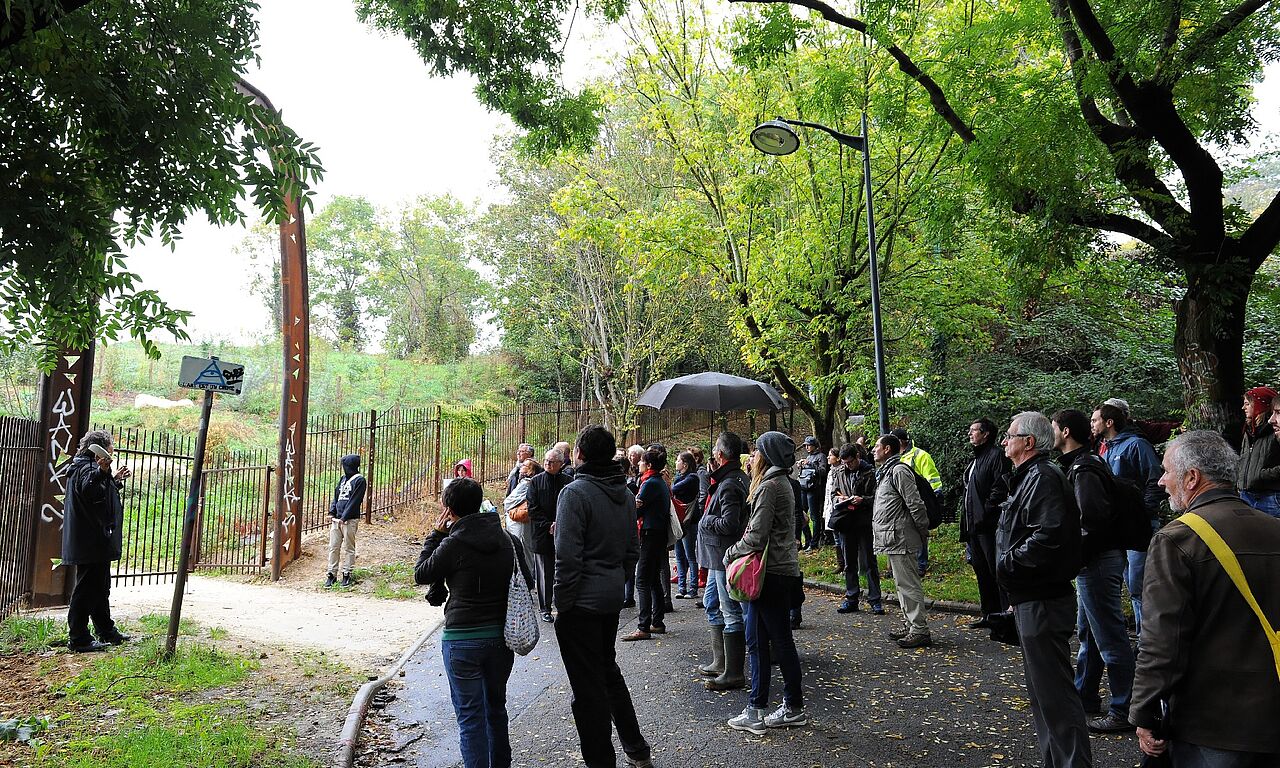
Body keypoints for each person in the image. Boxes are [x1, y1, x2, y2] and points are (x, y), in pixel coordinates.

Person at [1131, 430, 1280, 766]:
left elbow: (1162, 639)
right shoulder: (1275, 529)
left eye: (1167, 471)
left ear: (1192, 478)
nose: (1161, 481)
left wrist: (1143, 710)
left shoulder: (1178, 539)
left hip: (1212, 723)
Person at [552, 426, 655, 768]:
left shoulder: (574, 493)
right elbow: (631, 549)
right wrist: (614, 580)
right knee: (607, 673)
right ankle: (637, 749)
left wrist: (562, 603)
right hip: (609, 599)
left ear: (579, 454)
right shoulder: (624, 492)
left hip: (580, 604)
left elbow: (567, 558)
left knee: (587, 692)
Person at [414, 477, 533, 768]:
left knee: (470, 718)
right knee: (496, 710)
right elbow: (528, 581)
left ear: (449, 509)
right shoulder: (508, 540)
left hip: (461, 640)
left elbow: (422, 573)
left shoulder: (453, 543)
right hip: (501, 639)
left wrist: (436, 534)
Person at [999, 412, 1091, 768]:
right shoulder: (1030, 476)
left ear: (1029, 442)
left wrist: (1008, 565)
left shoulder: (1041, 477)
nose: (1004, 441)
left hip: (1042, 599)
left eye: (1010, 435)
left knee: (1055, 695)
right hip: (1030, 596)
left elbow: (1047, 535)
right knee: (1043, 695)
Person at [1051, 409, 1134, 734]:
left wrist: (1072, 559)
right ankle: (1084, 695)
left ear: (1066, 432)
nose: (1050, 433)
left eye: (1054, 427)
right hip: (1095, 561)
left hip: (1096, 562)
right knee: (1089, 634)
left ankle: (1125, 709)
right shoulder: (1083, 463)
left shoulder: (1084, 468)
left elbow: (1091, 522)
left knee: (1110, 638)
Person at [726, 431, 807, 735]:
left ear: (767, 454)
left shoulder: (770, 487)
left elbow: (756, 536)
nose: (752, 456)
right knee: (759, 640)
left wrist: (730, 553)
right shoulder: (781, 482)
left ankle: (783, 707)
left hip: (769, 573)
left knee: (774, 642)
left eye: (757, 450)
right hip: (780, 571)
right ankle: (761, 708)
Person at [1091, 401, 1163, 635]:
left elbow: (1155, 479)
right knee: (1129, 584)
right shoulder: (1104, 448)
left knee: (1140, 584)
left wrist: (1144, 512)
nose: (1092, 424)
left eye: (1095, 420)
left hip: (1138, 525)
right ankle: (1140, 635)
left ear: (1109, 422)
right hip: (1116, 526)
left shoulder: (1137, 445)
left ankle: (1148, 639)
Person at [62, 430, 131, 652]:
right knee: (86, 590)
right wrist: (102, 471)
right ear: (99, 449)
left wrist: (113, 479)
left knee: (100, 588)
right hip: (91, 541)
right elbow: (89, 489)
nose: (112, 452)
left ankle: (106, 630)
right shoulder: (87, 468)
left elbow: (98, 494)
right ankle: (79, 638)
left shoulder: (86, 467)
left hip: (94, 540)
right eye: (110, 448)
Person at [697, 432, 750, 691]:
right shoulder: (732, 478)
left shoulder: (729, 483)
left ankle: (733, 672)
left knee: (730, 612)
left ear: (720, 454)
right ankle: (721, 662)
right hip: (716, 557)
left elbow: (729, 524)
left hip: (722, 556)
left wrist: (707, 520)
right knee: (712, 604)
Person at [872, 433, 933, 648]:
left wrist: (922, 530)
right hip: (894, 537)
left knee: (908, 584)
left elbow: (915, 503)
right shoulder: (887, 471)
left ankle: (919, 629)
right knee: (902, 584)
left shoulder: (899, 471)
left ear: (887, 449)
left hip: (901, 537)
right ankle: (911, 624)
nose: (873, 450)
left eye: (877, 446)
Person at [963, 418, 1010, 627]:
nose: (970, 434)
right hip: (974, 526)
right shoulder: (976, 459)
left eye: (974, 430)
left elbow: (1000, 488)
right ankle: (988, 614)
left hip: (989, 526)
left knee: (994, 570)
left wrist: (985, 513)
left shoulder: (997, 456)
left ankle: (1004, 614)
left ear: (986, 434)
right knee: (981, 570)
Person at [828, 443, 883, 615]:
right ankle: (851, 598)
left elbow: (877, 497)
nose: (848, 465)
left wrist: (863, 500)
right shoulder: (839, 472)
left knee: (869, 561)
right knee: (849, 562)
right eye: (844, 462)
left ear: (857, 457)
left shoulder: (870, 472)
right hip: (846, 521)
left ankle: (875, 600)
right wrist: (840, 499)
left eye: (850, 462)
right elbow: (833, 494)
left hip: (864, 521)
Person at [623, 447, 671, 641]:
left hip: (650, 534)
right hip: (658, 533)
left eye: (642, 461)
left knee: (642, 580)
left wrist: (632, 505)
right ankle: (657, 621)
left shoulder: (649, 483)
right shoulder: (658, 481)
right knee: (653, 579)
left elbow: (637, 510)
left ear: (649, 464)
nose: (639, 464)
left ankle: (643, 626)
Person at [527, 447, 571, 622]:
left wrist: (560, 523)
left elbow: (571, 506)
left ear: (560, 464)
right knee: (544, 572)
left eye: (552, 462)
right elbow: (532, 508)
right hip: (542, 533)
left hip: (564, 531)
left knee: (563, 569)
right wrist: (548, 525)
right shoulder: (536, 482)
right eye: (546, 461)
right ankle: (544, 607)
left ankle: (563, 603)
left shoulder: (568, 481)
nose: (547, 464)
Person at [891, 428, 941, 575]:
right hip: (902, 503)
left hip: (918, 499)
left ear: (900, 442)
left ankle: (920, 564)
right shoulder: (896, 457)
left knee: (920, 530)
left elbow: (932, 478)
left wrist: (932, 499)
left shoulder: (920, 455)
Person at [1236, 386, 1280, 517]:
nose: (1243, 408)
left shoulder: (1275, 431)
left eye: (1247, 404)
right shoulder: (1249, 430)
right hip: (1245, 495)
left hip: (1270, 497)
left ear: (1260, 405)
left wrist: (1261, 475)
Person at [326, 453, 367, 588]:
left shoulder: (359, 480)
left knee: (349, 547)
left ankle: (347, 573)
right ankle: (331, 574)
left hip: (349, 520)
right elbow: (336, 496)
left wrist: (345, 517)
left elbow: (355, 501)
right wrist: (332, 512)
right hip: (336, 520)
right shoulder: (343, 479)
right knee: (333, 546)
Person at [502, 458, 542, 577]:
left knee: (521, 548)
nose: (521, 467)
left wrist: (508, 507)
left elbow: (508, 502)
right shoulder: (534, 482)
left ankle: (524, 576)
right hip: (526, 521)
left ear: (530, 471)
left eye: (524, 465)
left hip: (519, 522)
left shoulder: (526, 483)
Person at [671, 451, 700, 599]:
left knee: (690, 556)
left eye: (678, 460)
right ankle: (682, 587)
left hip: (689, 521)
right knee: (679, 555)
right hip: (679, 520)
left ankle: (693, 588)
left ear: (685, 464)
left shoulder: (692, 478)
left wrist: (671, 483)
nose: (676, 463)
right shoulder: (680, 477)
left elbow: (673, 489)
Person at [797, 436, 829, 550]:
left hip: (814, 489)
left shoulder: (821, 456)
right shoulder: (808, 456)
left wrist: (810, 464)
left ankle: (814, 543)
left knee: (814, 517)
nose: (806, 447)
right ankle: (808, 539)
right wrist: (801, 466)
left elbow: (823, 471)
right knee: (801, 514)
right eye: (805, 445)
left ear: (815, 446)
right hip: (804, 488)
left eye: (808, 445)